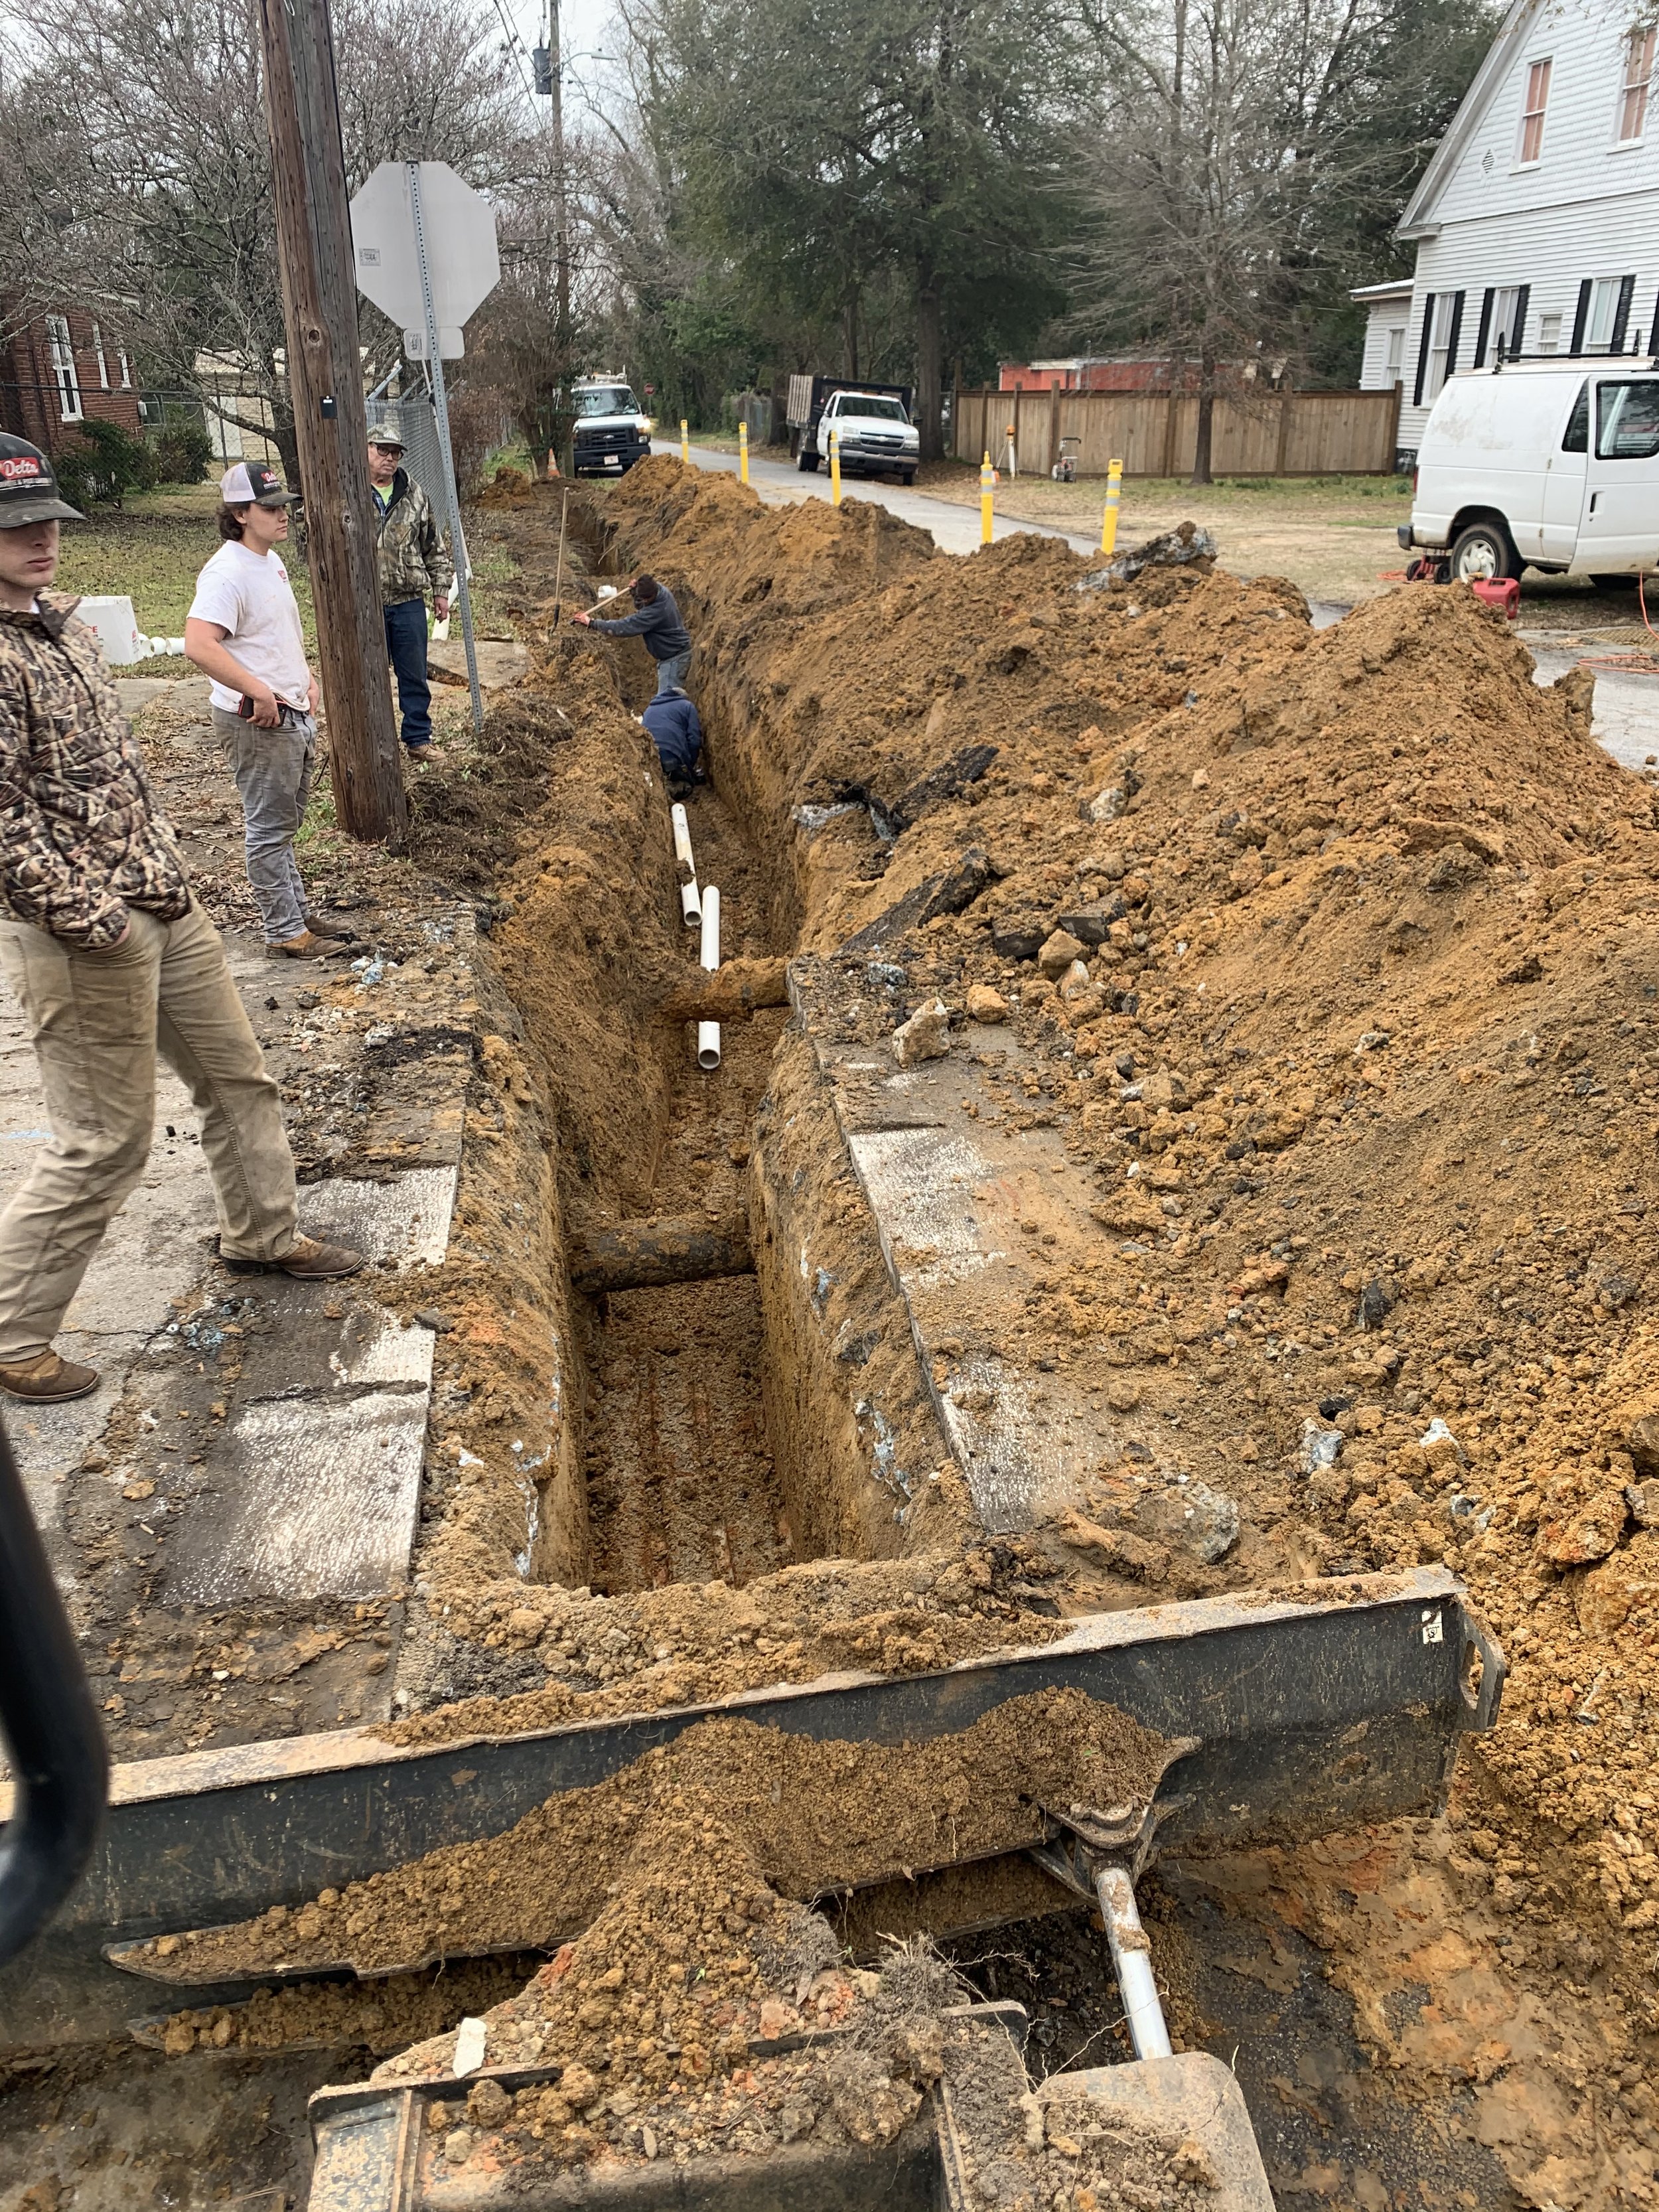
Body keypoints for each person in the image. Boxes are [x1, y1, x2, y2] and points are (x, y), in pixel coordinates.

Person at [0, 436, 363, 1406]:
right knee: (102, 1141)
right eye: (15, 526)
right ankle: (15, 1333)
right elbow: (6, 824)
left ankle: (264, 1232)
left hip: (161, 896)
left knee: (237, 1077)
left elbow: (111, 774)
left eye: (46, 521)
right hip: (87, 934)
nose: (39, 539)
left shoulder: (63, 630)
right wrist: (93, 919)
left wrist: (163, 867)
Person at [184, 461, 352, 961]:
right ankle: (284, 929)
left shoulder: (268, 561)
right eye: (270, 507)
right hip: (260, 721)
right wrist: (258, 690)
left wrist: (304, 679)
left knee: (283, 823)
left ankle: (296, 913)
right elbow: (198, 642)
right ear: (239, 513)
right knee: (269, 827)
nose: (283, 515)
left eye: (284, 506)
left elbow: (270, 633)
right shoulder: (227, 572)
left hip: (289, 711)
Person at [367, 423, 453, 762]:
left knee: (413, 674)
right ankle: (374, 741)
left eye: (395, 453)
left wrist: (441, 590)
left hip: (407, 603)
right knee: (369, 676)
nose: (389, 458)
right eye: (382, 451)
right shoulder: (347, 490)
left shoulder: (415, 494)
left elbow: (433, 546)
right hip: (366, 603)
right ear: (367, 449)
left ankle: (418, 739)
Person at [573, 574, 691, 696]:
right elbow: (643, 603)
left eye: (646, 599)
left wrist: (592, 623)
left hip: (675, 659)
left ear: (652, 594)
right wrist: (636, 592)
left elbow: (624, 627)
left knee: (666, 701)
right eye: (642, 598)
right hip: (673, 654)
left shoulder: (656, 611)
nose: (644, 601)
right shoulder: (661, 590)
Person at [640, 691, 704, 797]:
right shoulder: (687, 706)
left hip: (649, 757)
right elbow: (694, 740)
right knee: (686, 785)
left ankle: (660, 788)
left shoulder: (649, 709)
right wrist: (690, 765)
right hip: (671, 757)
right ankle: (671, 790)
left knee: (657, 781)